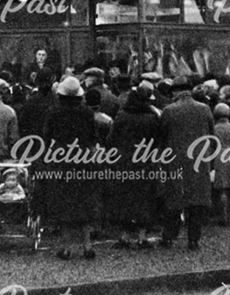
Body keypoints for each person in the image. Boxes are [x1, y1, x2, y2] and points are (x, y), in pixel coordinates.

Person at [41, 77, 100, 260]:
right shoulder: (87, 112)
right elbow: (93, 137)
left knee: (64, 203)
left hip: (61, 159)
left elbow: (47, 136)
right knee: (84, 201)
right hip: (83, 158)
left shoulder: (53, 112)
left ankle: (65, 248)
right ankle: (87, 245)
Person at [160, 75, 215, 250]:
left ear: (175, 91)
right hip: (199, 162)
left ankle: (169, 237)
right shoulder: (205, 109)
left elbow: (161, 139)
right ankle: (193, 240)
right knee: (196, 203)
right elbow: (212, 138)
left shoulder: (168, 111)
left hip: (175, 162)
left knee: (174, 201)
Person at [106, 88, 162, 249]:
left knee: (124, 198)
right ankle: (142, 237)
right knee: (145, 198)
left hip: (124, 162)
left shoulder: (121, 116)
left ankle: (124, 236)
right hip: (145, 162)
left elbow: (111, 139)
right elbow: (158, 139)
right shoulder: (152, 118)